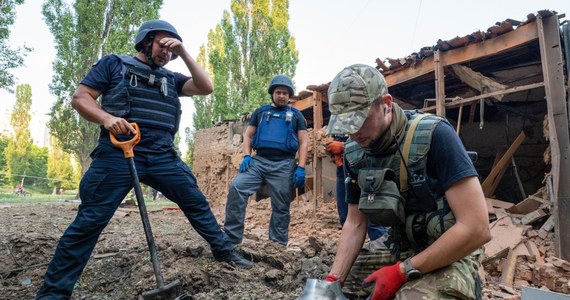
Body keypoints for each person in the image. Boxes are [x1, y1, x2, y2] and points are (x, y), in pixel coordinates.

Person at [36, 19, 252, 299]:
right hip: (118, 153)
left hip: (162, 155)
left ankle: (224, 250)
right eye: (163, 45)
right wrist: (107, 118)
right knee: (90, 221)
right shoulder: (114, 64)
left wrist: (184, 53)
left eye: (172, 50)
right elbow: (81, 98)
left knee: (196, 202)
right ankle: (53, 293)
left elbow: (206, 87)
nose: (167, 53)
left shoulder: (172, 79)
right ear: (146, 41)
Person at [300, 64, 491, 299]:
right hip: (400, 245)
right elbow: (355, 223)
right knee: (345, 289)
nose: (354, 134)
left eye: (359, 120)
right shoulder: (354, 152)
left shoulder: (435, 135)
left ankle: (468, 284)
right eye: (346, 125)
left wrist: (402, 272)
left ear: (386, 104)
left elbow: (477, 228)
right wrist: (332, 282)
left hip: (449, 248)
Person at [224, 74, 308, 246]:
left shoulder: (297, 115)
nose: (282, 96)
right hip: (259, 161)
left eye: (285, 93)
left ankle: (276, 245)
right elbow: (247, 136)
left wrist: (301, 167)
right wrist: (247, 155)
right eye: (278, 92)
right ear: (272, 93)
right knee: (237, 187)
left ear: (289, 95)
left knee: (282, 204)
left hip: (284, 164)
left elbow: (303, 142)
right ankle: (231, 240)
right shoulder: (261, 112)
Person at [326, 138, 388, 249]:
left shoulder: (368, 124)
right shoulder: (338, 123)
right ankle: (352, 255)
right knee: (347, 218)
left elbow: (377, 141)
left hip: (368, 168)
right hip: (345, 167)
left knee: (374, 220)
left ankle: (385, 254)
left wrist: (345, 147)